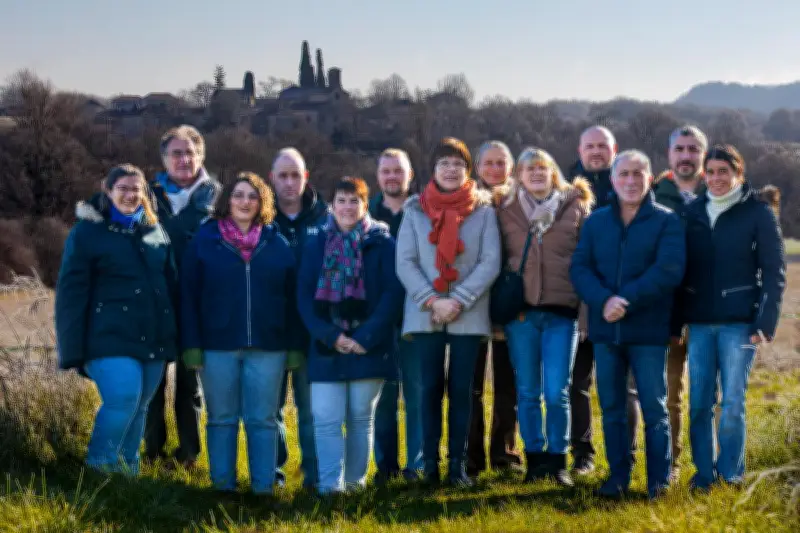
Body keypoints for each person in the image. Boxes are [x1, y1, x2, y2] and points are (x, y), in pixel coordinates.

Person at [570, 149, 685, 499]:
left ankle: (659, 481)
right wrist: (605, 300)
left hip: (648, 331)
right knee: (613, 408)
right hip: (607, 333)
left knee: (654, 408)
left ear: (649, 179)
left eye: (638, 174)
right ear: (614, 179)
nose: (631, 181)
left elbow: (668, 271)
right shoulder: (596, 222)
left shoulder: (667, 221)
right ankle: (618, 477)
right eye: (624, 174)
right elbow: (579, 269)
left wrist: (626, 300)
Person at [55, 164, 178, 475]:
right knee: (123, 398)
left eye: (136, 189)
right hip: (107, 337)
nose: (130, 194)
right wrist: (73, 350)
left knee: (139, 407)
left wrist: (175, 337)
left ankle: (127, 474)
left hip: (152, 338)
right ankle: (98, 469)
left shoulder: (155, 230)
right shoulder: (87, 233)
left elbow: (170, 285)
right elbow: (71, 294)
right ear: (107, 190)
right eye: (122, 188)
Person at [677, 144, 785, 491]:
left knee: (733, 402)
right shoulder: (691, 212)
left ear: (739, 174)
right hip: (699, 322)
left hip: (739, 323)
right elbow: (680, 269)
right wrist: (678, 316)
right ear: (703, 175)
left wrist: (765, 322)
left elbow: (774, 270)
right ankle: (704, 475)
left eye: (724, 171)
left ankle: (731, 474)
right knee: (699, 403)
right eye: (710, 172)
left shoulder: (757, 212)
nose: (716, 178)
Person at [180, 172, 295, 494]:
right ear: (227, 200)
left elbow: (291, 297)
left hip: (269, 346)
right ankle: (222, 488)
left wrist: (294, 345)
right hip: (216, 346)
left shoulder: (277, 243)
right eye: (239, 195)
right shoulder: (204, 240)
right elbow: (188, 295)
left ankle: (263, 489)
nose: (245, 202)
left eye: (252, 196)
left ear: (262, 203)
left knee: (263, 420)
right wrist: (191, 344)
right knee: (221, 419)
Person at [396, 137, 501, 487]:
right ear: (433, 169)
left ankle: (457, 465)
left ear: (467, 170)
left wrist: (459, 300)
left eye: (458, 163)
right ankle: (429, 465)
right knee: (428, 389)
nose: (451, 169)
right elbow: (406, 262)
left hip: (467, 313)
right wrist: (432, 300)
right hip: (426, 311)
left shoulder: (484, 211)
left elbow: (490, 261)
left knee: (463, 391)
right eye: (444, 163)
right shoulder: (414, 210)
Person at [494, 147, 594, 486]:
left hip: (562, 314)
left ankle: (558, 460)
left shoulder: (575, 207)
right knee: (527, 391)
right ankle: (535, 459)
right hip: (520, 315)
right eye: (529, 169)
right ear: (519, 175)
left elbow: (586, 262)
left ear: (553, 173)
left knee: (557, 391)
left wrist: (584, 314)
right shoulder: (504, 209)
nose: (536, 174)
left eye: (543, 168)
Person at [297, 177, 403, 494]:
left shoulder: (383, 243)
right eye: (341, 200)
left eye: (354, 200)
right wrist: (330, 336)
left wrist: (365, 337)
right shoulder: (315, 243)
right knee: (326, 419)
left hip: (369, 346)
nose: (347, 207)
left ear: (365, 205)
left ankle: (355, 486)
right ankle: (331, 487)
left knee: (360, 419)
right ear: (332, 205)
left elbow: (392, 294)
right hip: (326, 345)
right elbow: (303, 297)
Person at [566, 126, 640, 475]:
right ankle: (583, 454)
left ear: (615, 150)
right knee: (576, 383)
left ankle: (626, 453)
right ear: (579, 150)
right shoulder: (564, 190)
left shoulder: (628, 188)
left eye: (602, 146)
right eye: (590, 146)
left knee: (622, 386)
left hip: (620, 304)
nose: (596, 151)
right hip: (577, 301)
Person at [145, 125, 220, 468]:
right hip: (156, 301)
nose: (184, 159)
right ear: (163, 159)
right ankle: (152, 453)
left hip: (200, 302)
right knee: (154, 384)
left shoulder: (219, 195)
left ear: (201, 156)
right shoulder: (145, 194)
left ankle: (189, 454)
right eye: (176, 153)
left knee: (190, 385)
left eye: (190, 152)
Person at [269, 147, 329, 488]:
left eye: (296, 175)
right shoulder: (259, 218)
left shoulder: (326, 218)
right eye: (283, 175)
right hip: (271, 332)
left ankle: (316, 478)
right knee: (271, 411)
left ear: (306, 178)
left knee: (311, 411)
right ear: (272, 179)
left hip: (312, 333)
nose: (290, 182)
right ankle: (273, 475)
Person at [652, 124, 708, 480]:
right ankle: (670, 463)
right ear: (670, 154)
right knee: (669, 392)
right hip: (666, 311)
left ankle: (709, 466)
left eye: (693, 149)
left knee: (707, 394)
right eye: (680, 149)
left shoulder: (721, 191)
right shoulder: (653, 194)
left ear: (702, 154)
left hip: (708, 311)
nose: (686, 155)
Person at [466, 140, 523, 477]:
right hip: (474, 302)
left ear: (511, 166)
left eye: (501, 162)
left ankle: (504, 453)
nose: (494, 169)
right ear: (477, 167)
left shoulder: (521, 201)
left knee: (507, 384)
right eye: (488, 163)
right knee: (470, 385)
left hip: (508, 301)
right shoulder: (466, 201)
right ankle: (470, 457)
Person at [369, 148, 424, 482]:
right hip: (378, 320)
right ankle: (385, 468)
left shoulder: (424, 212)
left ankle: (416, 467)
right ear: (378, 176)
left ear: (410, 175)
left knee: (417, 394)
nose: (392, 177)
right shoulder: (366, 214)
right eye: (386, 171)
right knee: (384, 397)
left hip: (417, 316)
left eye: (398, 171)